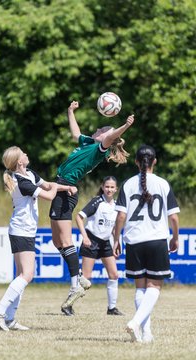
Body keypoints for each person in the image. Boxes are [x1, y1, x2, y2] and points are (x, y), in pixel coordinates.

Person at [49, 100, 135, 316]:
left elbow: (109, 137)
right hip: (60, 187)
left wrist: (124, 126)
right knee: (57, 241)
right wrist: (70, 111)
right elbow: (75, 133)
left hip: (66, 190)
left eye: (102, 129)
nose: (98, 129)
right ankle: (77, 281)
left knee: (66, 241)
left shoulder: (99, 149)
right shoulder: (88, 143)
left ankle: (77, 282)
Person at [0, 146, 77, 331]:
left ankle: (10, 319)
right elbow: (49, 194)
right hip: (21, 231)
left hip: (24, 231)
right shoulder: (21, 181)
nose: (27, 154)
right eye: (23, 153)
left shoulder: (29, 173)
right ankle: (0, 310)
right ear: (19, 162)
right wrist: (58, 186)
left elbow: (47, 185)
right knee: (27, 275)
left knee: (22, 275)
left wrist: (66, 186)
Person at [113, 144, 180, 343]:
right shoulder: (162, 183)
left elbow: (121, 216)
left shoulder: (127, 184)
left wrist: (116, 238)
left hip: (134, 241)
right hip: (157, 240)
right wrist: (175, 238)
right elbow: (174, 218)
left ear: (135, 162)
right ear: (155, 162)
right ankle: (135, 323)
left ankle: (146, 333)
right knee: (154, 287)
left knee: (140, 288)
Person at [76, 176, 124, 316]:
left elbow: (114, 227)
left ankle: (112, 308)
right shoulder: (97, 201)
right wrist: (84, 237)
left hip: (105, 243)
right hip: (91, 240)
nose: (109, 189)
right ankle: (69, 304)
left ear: (116, 189)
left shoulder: (116, 205)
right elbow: (79, 217)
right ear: (102, 187)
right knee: (86, 278)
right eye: (107, 186)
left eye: (112, 187)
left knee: (114, 275)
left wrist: (117, 241)